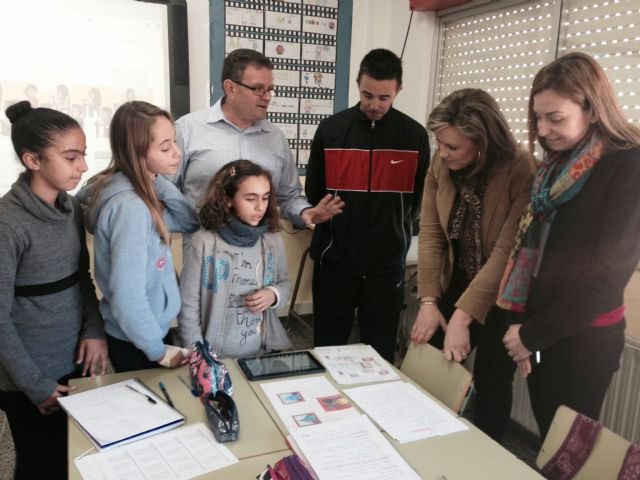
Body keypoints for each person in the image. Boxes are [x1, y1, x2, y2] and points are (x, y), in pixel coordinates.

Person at [499, 52, 640, 439]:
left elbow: (607, 277)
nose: (543, 130)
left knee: (569, 449)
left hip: (584, 339)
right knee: (550, 439)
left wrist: (530, 336)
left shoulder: (629, 165)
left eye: (555, 118)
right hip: (541, 329)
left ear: (592, 109)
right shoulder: (556, 163)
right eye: (538, 118)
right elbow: (531, 250)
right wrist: (520, 326)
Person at [410, 89, 535, 441]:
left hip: (501, 292)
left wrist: (462, 318)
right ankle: (423, 442)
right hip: (456, 279)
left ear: (482, 142)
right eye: (440, 144)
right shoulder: (441, 164)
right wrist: (430, 302)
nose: (443, 153)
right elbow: (432, 233)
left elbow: (506, 253)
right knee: (431, 362)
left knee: (493, 382)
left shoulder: (519, 168)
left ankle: (484, 457)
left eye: (453, 147)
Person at [0, 101, 108, 479]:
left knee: (74, 458)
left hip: (71, 361)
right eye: (71, 156)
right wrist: (35, 385)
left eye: (82, 155)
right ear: (33, 160)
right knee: (39, 464)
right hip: (27, 377)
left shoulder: (70, 209)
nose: (82, 166)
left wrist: (94, 330)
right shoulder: (7, 223)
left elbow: (81, 276)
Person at [304, 48, 430, 362]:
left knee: (379, 358)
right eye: (367, 94)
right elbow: (314, 193)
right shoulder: (331, 131)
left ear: (398, 90)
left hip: (385, 273)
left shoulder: (414, 136)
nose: (374, 104)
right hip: (334, 266)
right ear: (357, 83)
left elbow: (418, 200)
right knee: (327, 354)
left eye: (384, 97)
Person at [77, 101, 200, 372]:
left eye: (174, 143)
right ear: (136, 152)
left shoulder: (144, 198)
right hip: (140, 338)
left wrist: (154, 180)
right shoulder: (131, 209)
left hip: (147, 330)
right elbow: (127, 296)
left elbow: (188, 220)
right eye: (165, 148)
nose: (176, 153)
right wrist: (157, 351)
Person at [173, 48, 343, 233]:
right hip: (205, 253)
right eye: (257, 89)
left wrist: (305, 212)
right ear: (231, 88)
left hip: (261, 255)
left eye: (270, 89)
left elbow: (289, 196)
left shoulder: (276, 138)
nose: (267, 97)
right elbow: (165, 193)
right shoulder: (187, 129)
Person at [179, 160, 292, 357]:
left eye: (265, 198)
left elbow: (284, 283)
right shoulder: (204, 243)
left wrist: (273, 294)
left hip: (261, 350)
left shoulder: (272, 239)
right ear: (227, 199)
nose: (260, 207)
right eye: (250, 199)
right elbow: (188, 306)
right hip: (214, 353)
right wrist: (198, 354)